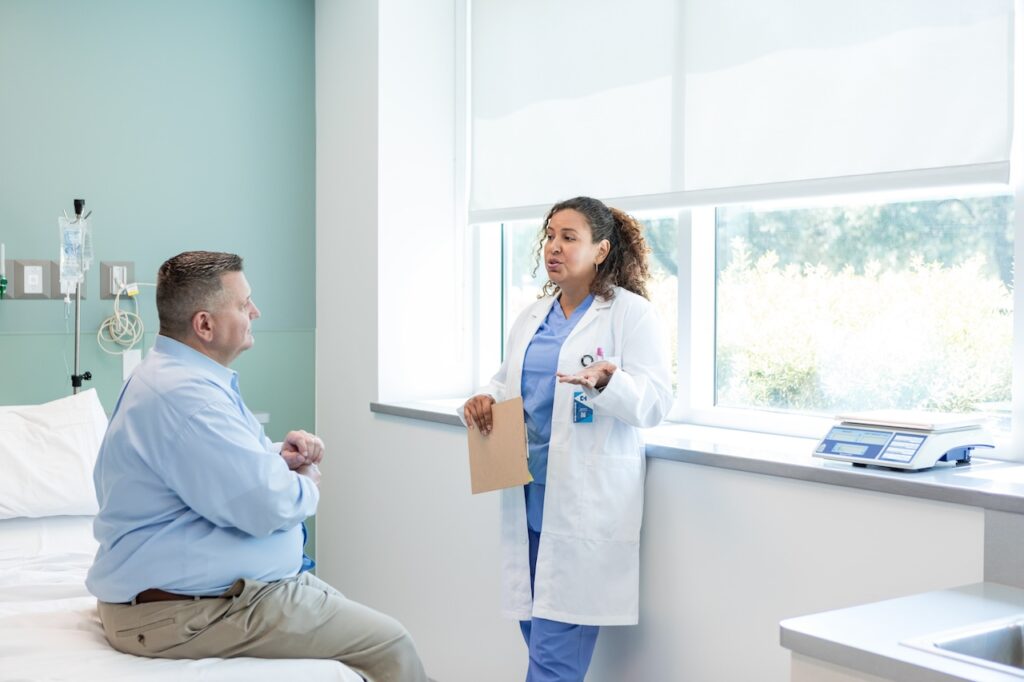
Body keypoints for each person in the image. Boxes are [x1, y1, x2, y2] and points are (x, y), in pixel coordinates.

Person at [87, 251, 428, 682]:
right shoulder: (188, 398)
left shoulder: (175, 376)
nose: (255, 311)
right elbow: (268, 505)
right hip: (187, 613)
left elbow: (210, 466)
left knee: (370, 633)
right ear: (205, 324)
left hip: (207, 598)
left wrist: (273, 457)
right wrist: (305, 479)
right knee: (391, 644)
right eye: (243, 303)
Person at [461, 197, 672, 681]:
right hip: (528, 498)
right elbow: (507, 382)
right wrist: (484, 399)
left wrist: (607, 383)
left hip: (583, 508)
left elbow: (656, 402)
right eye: (550, 236)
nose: (553, 247)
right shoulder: (533, 316)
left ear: (600, 250)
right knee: (539, 643)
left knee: (553, 663)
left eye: (568, 238)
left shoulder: (631, 315)